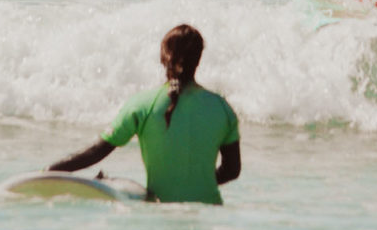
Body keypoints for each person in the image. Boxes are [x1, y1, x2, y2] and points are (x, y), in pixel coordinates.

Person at [47, 24, 241, 205]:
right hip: (210, 215)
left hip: (160, 211)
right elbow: (232, 170)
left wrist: (52, 171)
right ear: (198, 59)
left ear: (163, 58)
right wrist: (198, 182)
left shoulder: (142, 105)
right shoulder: (222, 108)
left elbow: (96, 152)